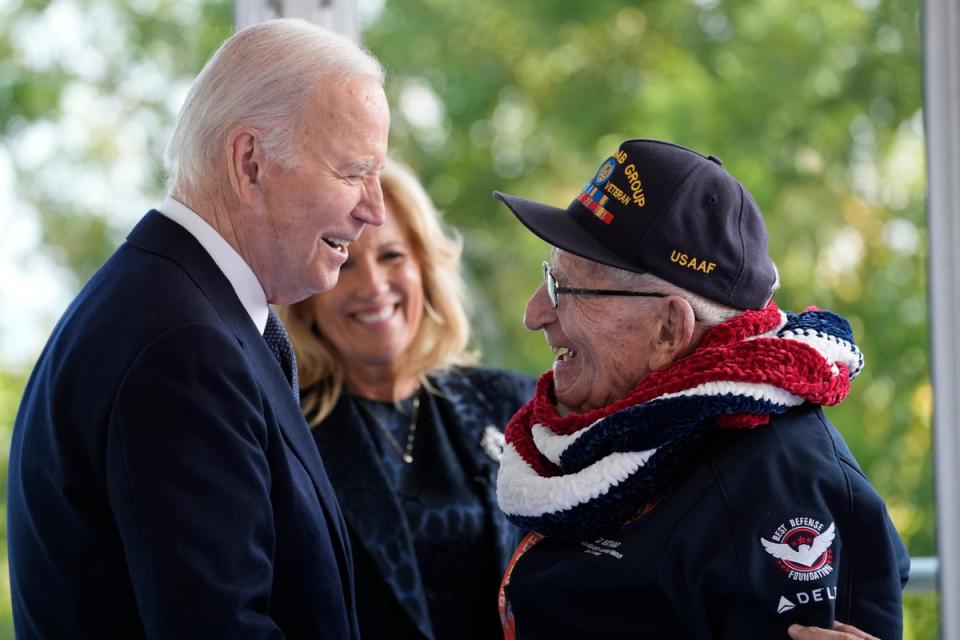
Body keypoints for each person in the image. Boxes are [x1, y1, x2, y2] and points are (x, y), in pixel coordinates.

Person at [7, 19, 388, 638]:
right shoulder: (183, 347)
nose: (374, 209)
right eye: (352, 172)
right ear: (250, 163)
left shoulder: (177, 307)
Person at [492, 139, 910, 639]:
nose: (534, 313)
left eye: (565, 289)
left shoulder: (782, 481)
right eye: (547, 277)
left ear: (669, 328)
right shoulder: (607, 430)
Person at [280, 159, 535, 640]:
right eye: (345, 260)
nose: (373, 286)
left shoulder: (514, 404)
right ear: (307, 295)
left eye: (392, 256)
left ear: (425, 267)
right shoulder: (285, 433)